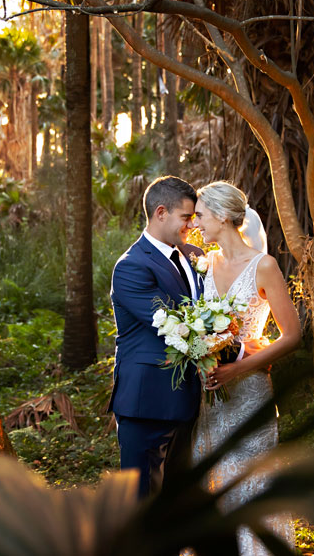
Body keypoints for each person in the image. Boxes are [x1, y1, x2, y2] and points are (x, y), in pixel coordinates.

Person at [191, 180, 301, 555]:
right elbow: (196, 326)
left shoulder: (264, 266)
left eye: (201, 216)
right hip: (211, 398)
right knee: (213, 481)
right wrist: (200, 355)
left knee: (251, 481)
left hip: (249, 392)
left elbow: (291, 336)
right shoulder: (207, 264)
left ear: (223, 216)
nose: (196, 224)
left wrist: (237, 369)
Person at [109, 175, 204, 499]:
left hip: (185, 401)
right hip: (146, 402)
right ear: (161, 212)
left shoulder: (191, 256)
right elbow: (172, 324)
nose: (191, 225)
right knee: (143, 502)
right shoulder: (132, 266)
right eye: (186, 217)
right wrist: (240, 350)